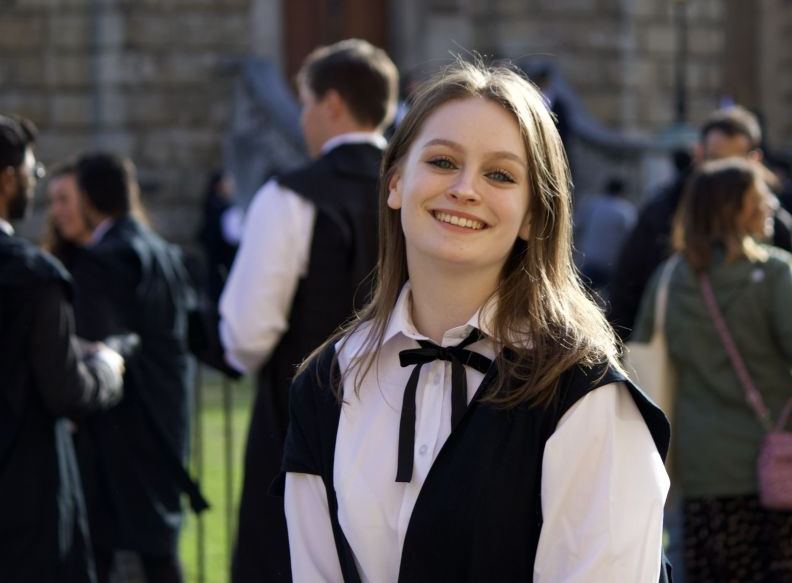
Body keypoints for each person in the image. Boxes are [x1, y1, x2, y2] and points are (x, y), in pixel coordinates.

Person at [274, 62, 672, 582]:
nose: (465, 189)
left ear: (533, 214)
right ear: (395, 182)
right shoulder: (327, 383)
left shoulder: (586, 396)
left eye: (500, 175)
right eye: (442, 161)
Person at [635, 157, 792, 583]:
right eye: (759, 196)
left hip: (707, 470)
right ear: (734, 208)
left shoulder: (669, 278)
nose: (770, 204)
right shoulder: (773, 269)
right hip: (786, 462)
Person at [218, 38, 399, 583]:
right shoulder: (419, 188)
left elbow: (246, 336)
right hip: (412, 424)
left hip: (304, 432)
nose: (301, 118)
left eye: (305, 102)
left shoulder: (290, 196)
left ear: (333, 104)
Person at [0, 114, 124, 583]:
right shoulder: (32, 274)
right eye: (32, 175)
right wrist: (108, 368)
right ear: (7, 178)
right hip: (24, 502)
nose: (33, 186)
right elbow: (65, 390)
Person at [70, 152, 199, 583]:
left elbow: (94, 349)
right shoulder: (164, 252)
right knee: (160, 550)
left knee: (100, 553)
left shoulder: (104, 257)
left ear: (87, 198)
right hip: (167, 417)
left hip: (120, 429)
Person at [608, 105, 792, 339]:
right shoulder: (661, 214)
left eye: (735, 164)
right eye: (715, 160)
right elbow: (626, 294)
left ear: (755, 161)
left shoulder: (774, 225)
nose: (723, 175)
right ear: (699, 154)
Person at [573, 176, 637, 294]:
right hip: (612, 264)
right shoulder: (625, 210)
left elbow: (576, 227)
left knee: (583, 297)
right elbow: (632, 239)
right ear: (622, 192)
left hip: (589, 260)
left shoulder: (592, 205)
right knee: (609, 303)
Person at [43, 163, 91, 269]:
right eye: (52, 201)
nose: (55, 211)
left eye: (63, 199)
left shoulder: (119, 260)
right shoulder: (51, 265)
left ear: (88, 200)